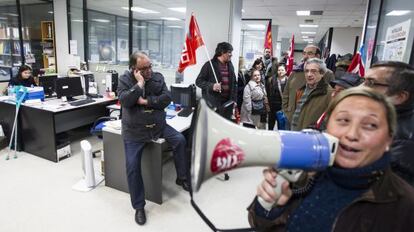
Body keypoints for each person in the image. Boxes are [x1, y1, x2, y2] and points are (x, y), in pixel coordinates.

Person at [248, 87, 414, 231]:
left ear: (388, 140)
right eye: (343, 120)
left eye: (370, 125)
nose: (352, 134)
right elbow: (261, 225)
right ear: (327, 128)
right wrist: (269, 208)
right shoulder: (305, 173)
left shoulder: (405, 207)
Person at [117, 52, 189, 226]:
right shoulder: (125, 80)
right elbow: (125, 101)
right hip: (134, 131)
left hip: (158, 126)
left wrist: (145, 102)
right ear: (135, 69)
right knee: (132, 167)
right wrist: (139, 84)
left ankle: (182, 177)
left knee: (180, 140)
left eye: (150, 66)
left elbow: (166, 98)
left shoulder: (158, 77)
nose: (149, 70)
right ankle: (139, 206)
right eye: (144, 68)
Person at [363, 61, 414, 186]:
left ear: (400, 96)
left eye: (371, 83)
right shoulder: (377, 118)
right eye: (363, 81)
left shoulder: (404, 143)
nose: (361, 88)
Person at [282, 45, 334, 126]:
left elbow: (331, 101)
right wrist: (286, 111)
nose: (306, 56)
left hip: (310, 123)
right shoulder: (295, 72)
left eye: (309, 53)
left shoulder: (327, 73)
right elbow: (286, 93)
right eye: (304, 53)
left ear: (317, 56)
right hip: (291, 118)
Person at [196, 42, 237, 120]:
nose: (231, 54)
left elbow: (234, 84)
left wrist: (234, 100)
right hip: (213, 105)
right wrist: (212, 86)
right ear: (222, 52)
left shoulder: (230, 65)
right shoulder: (209, 65)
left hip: (228, 105)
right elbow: (198, 81)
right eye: (229, 52)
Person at [289, 58, 333, 131]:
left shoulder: (328, 93)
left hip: (311, 138)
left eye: (313, 71)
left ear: (322, 73)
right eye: (306, 71)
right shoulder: (301, 89)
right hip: (295, 134)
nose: (309, 74)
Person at [267, 64, 287, 130]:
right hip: (272, 107)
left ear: (286, 71)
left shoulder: (289, 81)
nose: (280, 71)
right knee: (270, 126)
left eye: (282, 70)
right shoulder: (271, 80)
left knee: (281, 127)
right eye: (279, 70)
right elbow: (268, 93)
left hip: (282, 108)